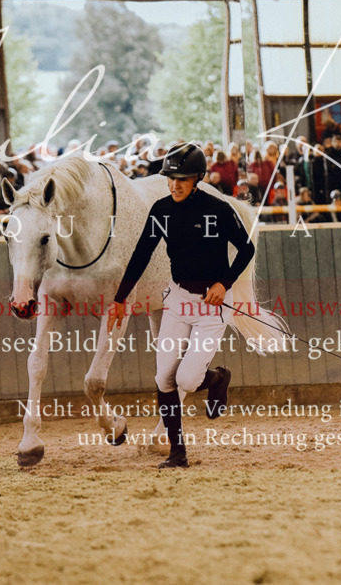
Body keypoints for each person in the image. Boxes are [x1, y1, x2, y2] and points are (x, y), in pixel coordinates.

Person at [106, 143, 254, 469]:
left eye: (182, 179)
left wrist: (224, 284)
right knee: (164, 379)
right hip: (177, 300)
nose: (175, 185)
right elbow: (141, 255)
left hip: (212, 305)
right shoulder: (161, 211)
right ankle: (178, 452)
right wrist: (119, 299)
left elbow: (246, 250)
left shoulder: (218, 209)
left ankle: (217, 378)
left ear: (198, 178)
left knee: (187, 380)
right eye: (171, 178)